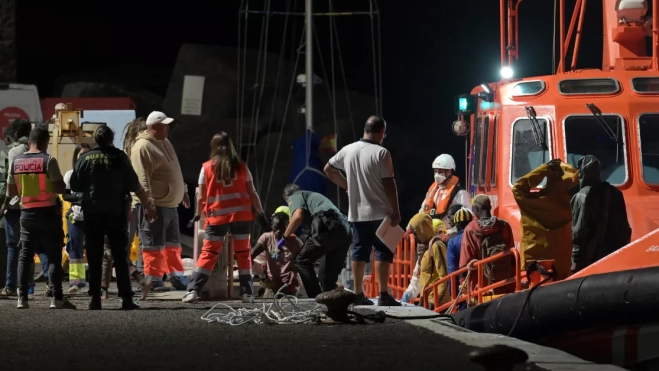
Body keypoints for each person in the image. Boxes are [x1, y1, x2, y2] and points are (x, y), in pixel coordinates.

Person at [70, 125, 156, 310]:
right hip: (116, 214)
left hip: (92, 214)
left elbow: (75, 185)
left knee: (94, 256)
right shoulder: (120, 157)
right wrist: (149, 205)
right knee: (119, 256)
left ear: (95, 139)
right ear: (111, 139)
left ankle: (95, 299)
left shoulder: (85, 158)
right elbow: (135, 185)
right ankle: (126, 299)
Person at [324, 115, 401, 307]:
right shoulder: (382, 153)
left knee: (359, 253)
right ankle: (383, 294)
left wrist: (346, 185)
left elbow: (328, 169)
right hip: (380, 213)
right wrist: (396, 210)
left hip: (357, 214)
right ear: (381, 132)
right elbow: (389, 184)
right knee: (383, 252)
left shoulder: (347, 150)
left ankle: (358, 293)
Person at [183, 132, 267, 304]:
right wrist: (261, 214)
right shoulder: (242, 166)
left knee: (208, 253)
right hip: (241, 217)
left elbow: (200, 197)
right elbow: (252, 193)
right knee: (243, 255)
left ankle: (193, 291)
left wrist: (198, 215)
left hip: (216, 217)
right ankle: (247, 294)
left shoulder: (206, 168)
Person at [7, 127, 74, 309]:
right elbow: (60, 188)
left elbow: (11, 191)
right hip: (48, 213)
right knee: (53, 256)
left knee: (25, 256)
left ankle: (22, 298)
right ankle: (57, 298)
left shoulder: (16, 162)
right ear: (45, 142)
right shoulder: (48, 160)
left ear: (29, 141)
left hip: (26, 214)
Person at [130, 111, 190, 296]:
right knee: (153, 245)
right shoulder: (142, 148)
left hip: (170, 205)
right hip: (156, 205)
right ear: (153, 127)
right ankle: (154, 279)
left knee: (172, 245)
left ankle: (176, 276)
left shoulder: (164, 142)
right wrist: (149, 205)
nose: (168, 128)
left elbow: (175, 170)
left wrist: (184, 191)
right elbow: (142, 181)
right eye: (164, 125)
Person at [0, 120, 50, 297]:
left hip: (15, 205)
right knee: (40, 246)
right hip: (36, 203)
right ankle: (50, 284)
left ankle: (11, 286)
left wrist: (4, 204)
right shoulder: (42, 152)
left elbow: (11, 180)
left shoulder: (13, 152)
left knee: (14, 246)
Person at [281, 183, 352, 299]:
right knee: (326, 278)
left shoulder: (295, 196)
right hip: (344, 229)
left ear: (286, 197)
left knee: (301, 261)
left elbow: (297, 216)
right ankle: (332, 308)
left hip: (328, 226)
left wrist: (284, 237)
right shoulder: (313, 197)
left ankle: (315, 300)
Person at [512, 159, 578, 280]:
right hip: (563, 267)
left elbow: (517, 188)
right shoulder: (571, 203)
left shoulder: (532, 202)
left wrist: (544, 170)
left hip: (534, 267)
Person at [571, 155, 631, 273]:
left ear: (582, 172)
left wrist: (576, 260)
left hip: (591, 258)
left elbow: (579, 232)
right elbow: (624, 227)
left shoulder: (581, 196)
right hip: (614, 255)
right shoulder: (616, 192)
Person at [459, 194, 515, 297]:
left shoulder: (471, 230)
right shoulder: (504, 226)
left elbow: (466, 261)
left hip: (482, 289)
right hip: (507, 286)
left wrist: (463, 283)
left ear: (477, 209)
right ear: (490, 207)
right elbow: (512, 258)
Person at [400, 213, 450, 306]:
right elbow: (419, 277)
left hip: (436, 303)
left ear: (422, 230)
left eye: (415, 233)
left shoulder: (436, 246)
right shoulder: (423, 251)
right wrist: (409, 294)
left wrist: (435, 300)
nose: (415, 237)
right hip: (426, 300)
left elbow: (444, 277)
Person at [251, 211, 303, 297]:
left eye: (282, 228)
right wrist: (263, 277)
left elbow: (302, 265)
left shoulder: (296, 242)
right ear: (271, 226)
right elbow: (252, 254)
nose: (278, 231)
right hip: (272, 284)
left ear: (288, 226)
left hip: (289, 284)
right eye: (276, 228)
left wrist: (295, 278)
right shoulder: (267, 237)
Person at [63, 143, 91, 293]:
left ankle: (95, 282)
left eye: (87, 154)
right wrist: (78, 197)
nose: (84, 157)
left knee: (94, 248)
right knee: (74, 247)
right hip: (76, 216)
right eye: (81, 154)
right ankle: (76, 282)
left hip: (93, 216)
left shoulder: (95, 175)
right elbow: (65, 194)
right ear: (76, 157)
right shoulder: (70, 175)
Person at [419, 154, 471, 226]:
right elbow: (422, 212)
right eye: (435, 171)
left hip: (451, 232)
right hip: (435, 231)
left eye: (440, 171)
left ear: (449, 172)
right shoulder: (433, 192)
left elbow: (467, 216)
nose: (437, 174)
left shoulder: (461, 193)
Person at [447, 207, 473, 275]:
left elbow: (452, 268)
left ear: (457, 225)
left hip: (463, 282)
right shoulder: (479, 236)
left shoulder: (452, 242)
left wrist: (452, 285)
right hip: (481, 280)